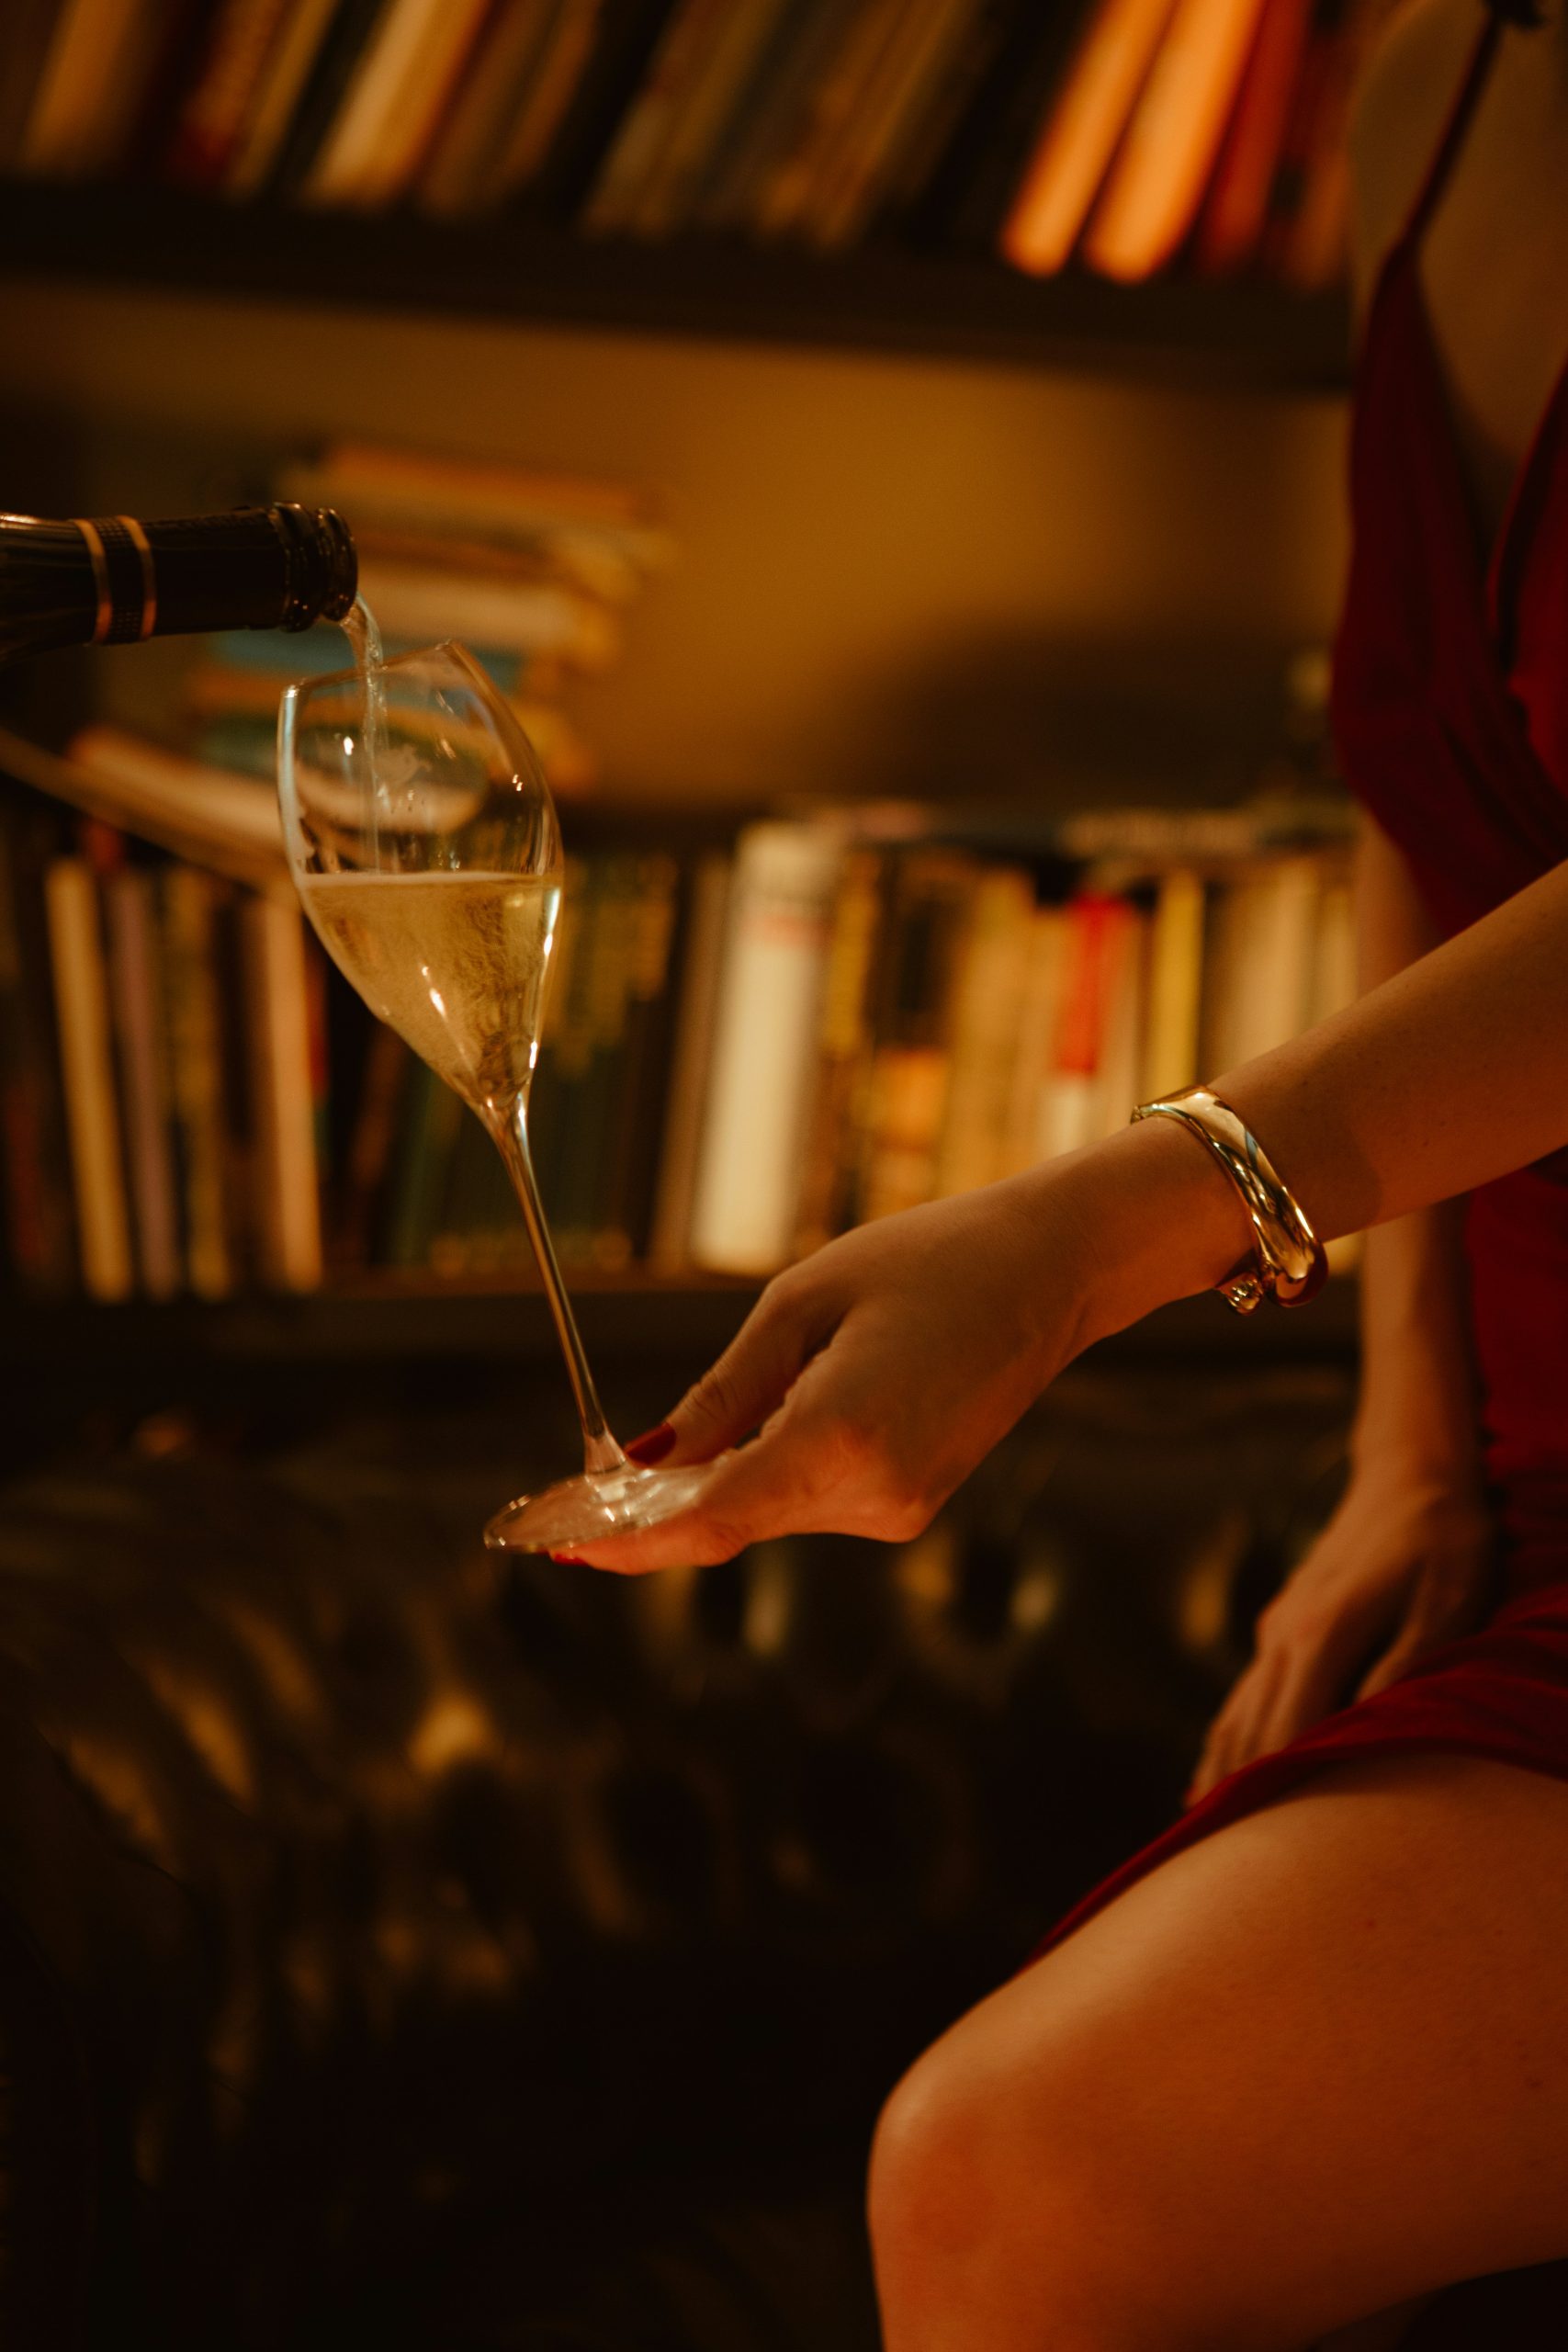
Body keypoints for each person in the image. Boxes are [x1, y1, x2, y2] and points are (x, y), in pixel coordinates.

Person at [559, 1, 1568, 2342]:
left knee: (1015, 2177)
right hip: (1536, 1487)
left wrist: (1073, 1242)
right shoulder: (1423, 97)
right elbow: (1424, 800)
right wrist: (1410, 1449)